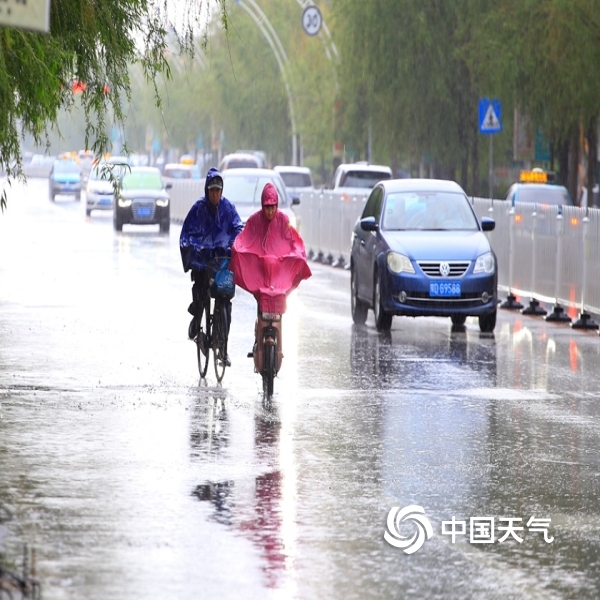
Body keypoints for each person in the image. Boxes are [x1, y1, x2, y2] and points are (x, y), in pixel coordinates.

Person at [180, 167, 243, 366]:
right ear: (207, 190)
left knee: (226, 301)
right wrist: (196, 248)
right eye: (212, 190)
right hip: (203, 263)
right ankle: (196, 321)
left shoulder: (228, 208)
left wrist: (235, 243)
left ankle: (223, 349)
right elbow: (186, 235)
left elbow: (237, 227)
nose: (215, 194)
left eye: (218, 190)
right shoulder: (198, 209)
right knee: (200, 293)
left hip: (222, 263)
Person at [230, 181, 311, 323]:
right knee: (261, 301)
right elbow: (245, 239)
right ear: (263, 205)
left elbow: (292, 240)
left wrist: (297, 255)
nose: (270, 211)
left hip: (278, 272)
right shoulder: (254, 220)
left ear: (277, 205)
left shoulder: (283, 220)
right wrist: (239, 250)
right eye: (267, 207)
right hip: (260, 271)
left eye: (273, 207)